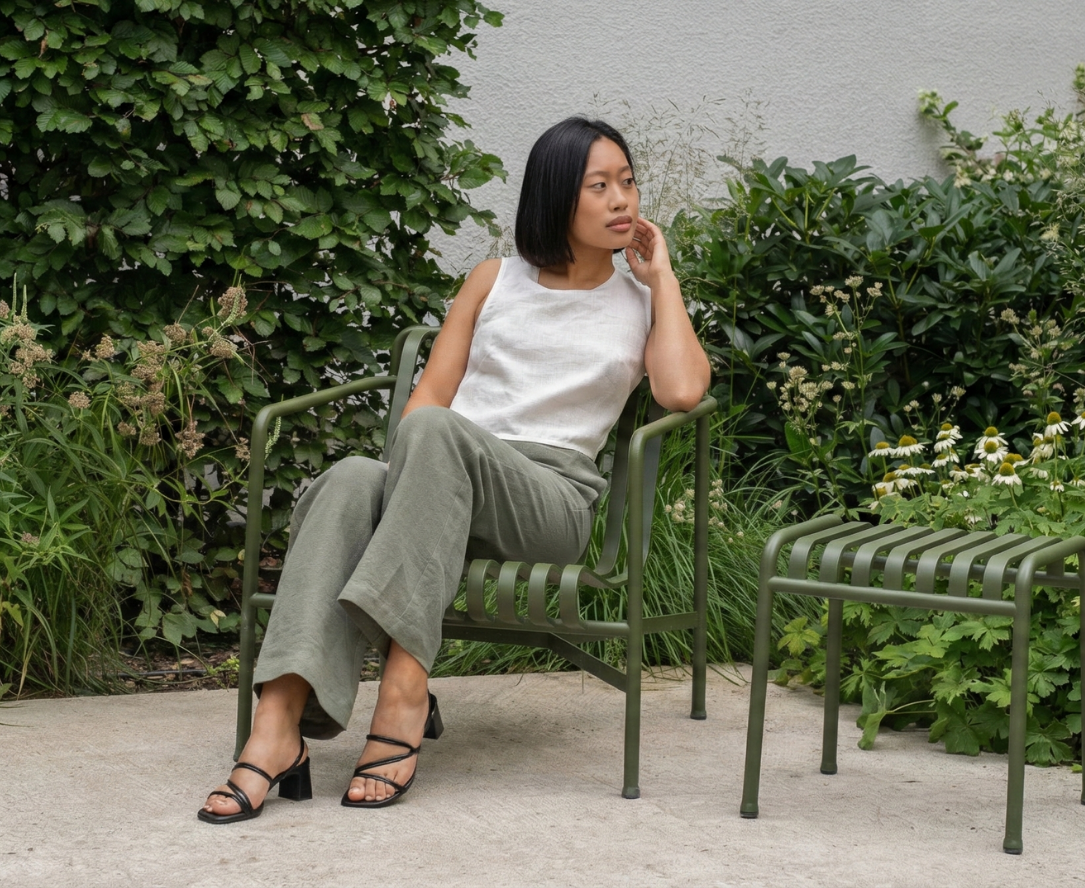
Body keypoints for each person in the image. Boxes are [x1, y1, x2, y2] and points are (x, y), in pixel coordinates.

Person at [200, 116, 711, 823]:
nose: (622, 199)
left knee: (437, 435)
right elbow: (428, 401)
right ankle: (277, 725)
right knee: (351, 478)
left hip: (547, 497)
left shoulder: (641, 299)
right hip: (441, 477)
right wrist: (408, 488)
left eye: (627, 182)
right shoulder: (494, 279)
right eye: (600, 186)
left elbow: (682, 392)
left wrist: (664, 279)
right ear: (556, 197)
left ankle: (406, 687)